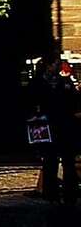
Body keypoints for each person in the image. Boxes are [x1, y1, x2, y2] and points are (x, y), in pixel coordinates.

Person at [24, 56, 76, 204]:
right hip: (48, 125)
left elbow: (72, 101)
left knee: (66, 160)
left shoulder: (62, 82)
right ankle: (52, 192)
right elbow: (30, 102)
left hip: (63, 125)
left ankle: (68, 193)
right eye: (55, 64)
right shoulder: (39, 83)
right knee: (51, 160)